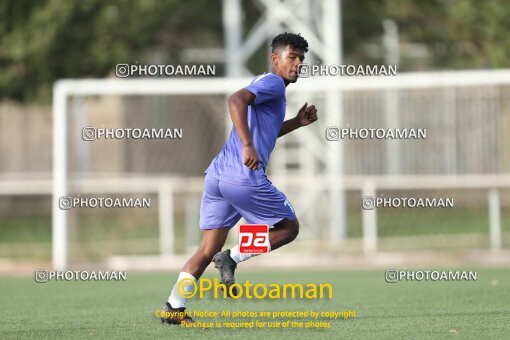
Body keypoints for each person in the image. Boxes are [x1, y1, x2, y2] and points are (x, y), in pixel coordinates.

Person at [160, 32, 318, 325]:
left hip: (218, 177)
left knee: (206, 249)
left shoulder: (267, 86)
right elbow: (235, 100)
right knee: (288, 227)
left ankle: (174, 306)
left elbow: (264, 130)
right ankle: (233, 256)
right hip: (243, 178)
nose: (297, 64)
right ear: (276, 59)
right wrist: (246, 145)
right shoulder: (272, 83)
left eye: (301, 59)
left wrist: (297, 122)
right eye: (292, 58)